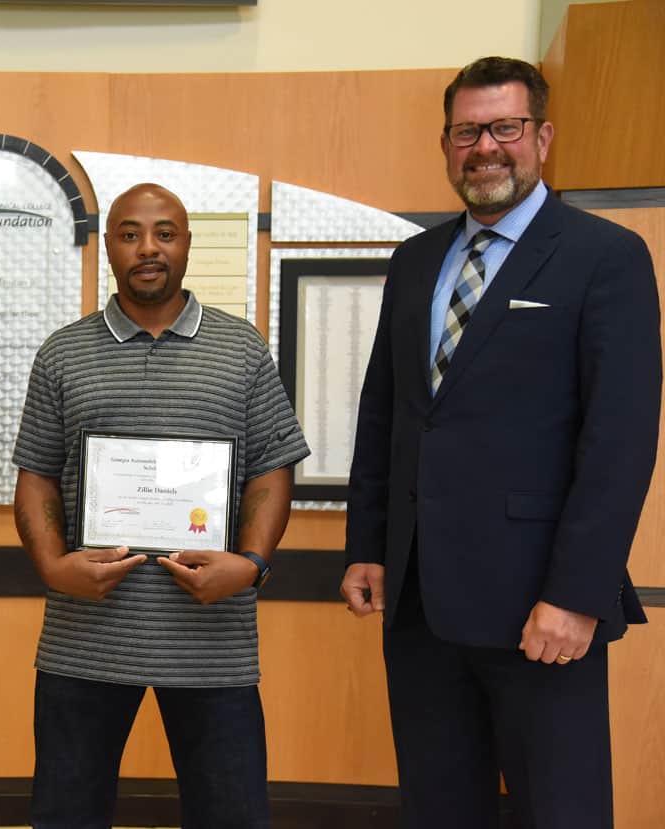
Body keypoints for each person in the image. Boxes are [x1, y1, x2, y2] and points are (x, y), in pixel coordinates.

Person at [342, 56, 660, 829]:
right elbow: (386, 415)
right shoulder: (415, 261)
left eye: (504, 127)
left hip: (540, 609)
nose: (485, 147)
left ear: (541, 136)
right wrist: (369, 545)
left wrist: (575, 595)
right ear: (446, 143)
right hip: (419, 605)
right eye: (466, 132)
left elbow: (619, 441)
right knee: (439, 806)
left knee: (561, 808)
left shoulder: (604, 257)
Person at [12, 182, 309, 829]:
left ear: (187, 243)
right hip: (85, 638)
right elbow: (35, 474)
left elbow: (272, 465)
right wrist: (55, 567)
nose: (148, 247)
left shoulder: (242, 349)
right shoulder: (63, 353)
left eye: (165, 232)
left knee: (231, 814)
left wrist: (252, 561)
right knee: (67, 813)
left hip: (212, 641)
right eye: (130, 233)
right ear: (107, 246)